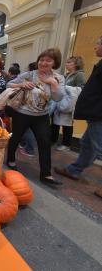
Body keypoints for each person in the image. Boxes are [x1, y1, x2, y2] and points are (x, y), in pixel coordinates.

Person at [6, 48, 65, 186]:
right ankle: (10, 160)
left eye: (48, 60)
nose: (44, 63)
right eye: (42, 60)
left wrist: (53, 83)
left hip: (42, 116)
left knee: (44, 142)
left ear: (54, 63)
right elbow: (9, 84)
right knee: (16, 138)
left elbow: (58, 98)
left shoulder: (58, 78)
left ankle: (46, 174)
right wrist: (21, 84)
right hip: (22, 113)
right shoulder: (29, 74)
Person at [55, 37, 102, 198]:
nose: (95, 46)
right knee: (87, 144)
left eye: (98, 43)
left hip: (99, 114)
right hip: (94, 114)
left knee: (100, 147)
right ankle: (74, 170)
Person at [51, 56, 86, 151]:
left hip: (69, 103)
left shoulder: (79, 75)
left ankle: (66, 144)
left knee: (67, 124)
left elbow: (82, 89)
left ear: (76, 64)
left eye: (69, 62)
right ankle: (53, 140)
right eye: (66, 62)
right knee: (56, 122)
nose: (66, 64)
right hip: (61, 101)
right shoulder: (67, 74)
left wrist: (66, 88)